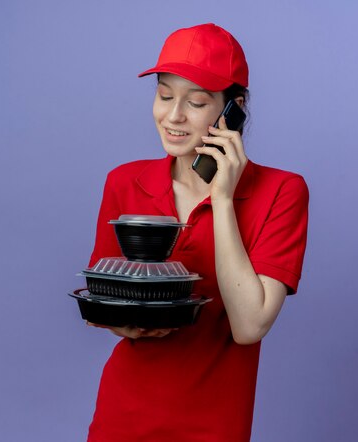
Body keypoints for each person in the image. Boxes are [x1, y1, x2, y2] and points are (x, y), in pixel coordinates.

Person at [85, 23, 309, 442]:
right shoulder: (123, 182)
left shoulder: (282, 192)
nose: (173, 116)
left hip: (214, 422)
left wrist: (222, 199)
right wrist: (128, 325)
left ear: (233, 110)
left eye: (197, 102)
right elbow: (107, 299)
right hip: (123, 414)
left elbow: (249, 326)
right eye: (165, 95)